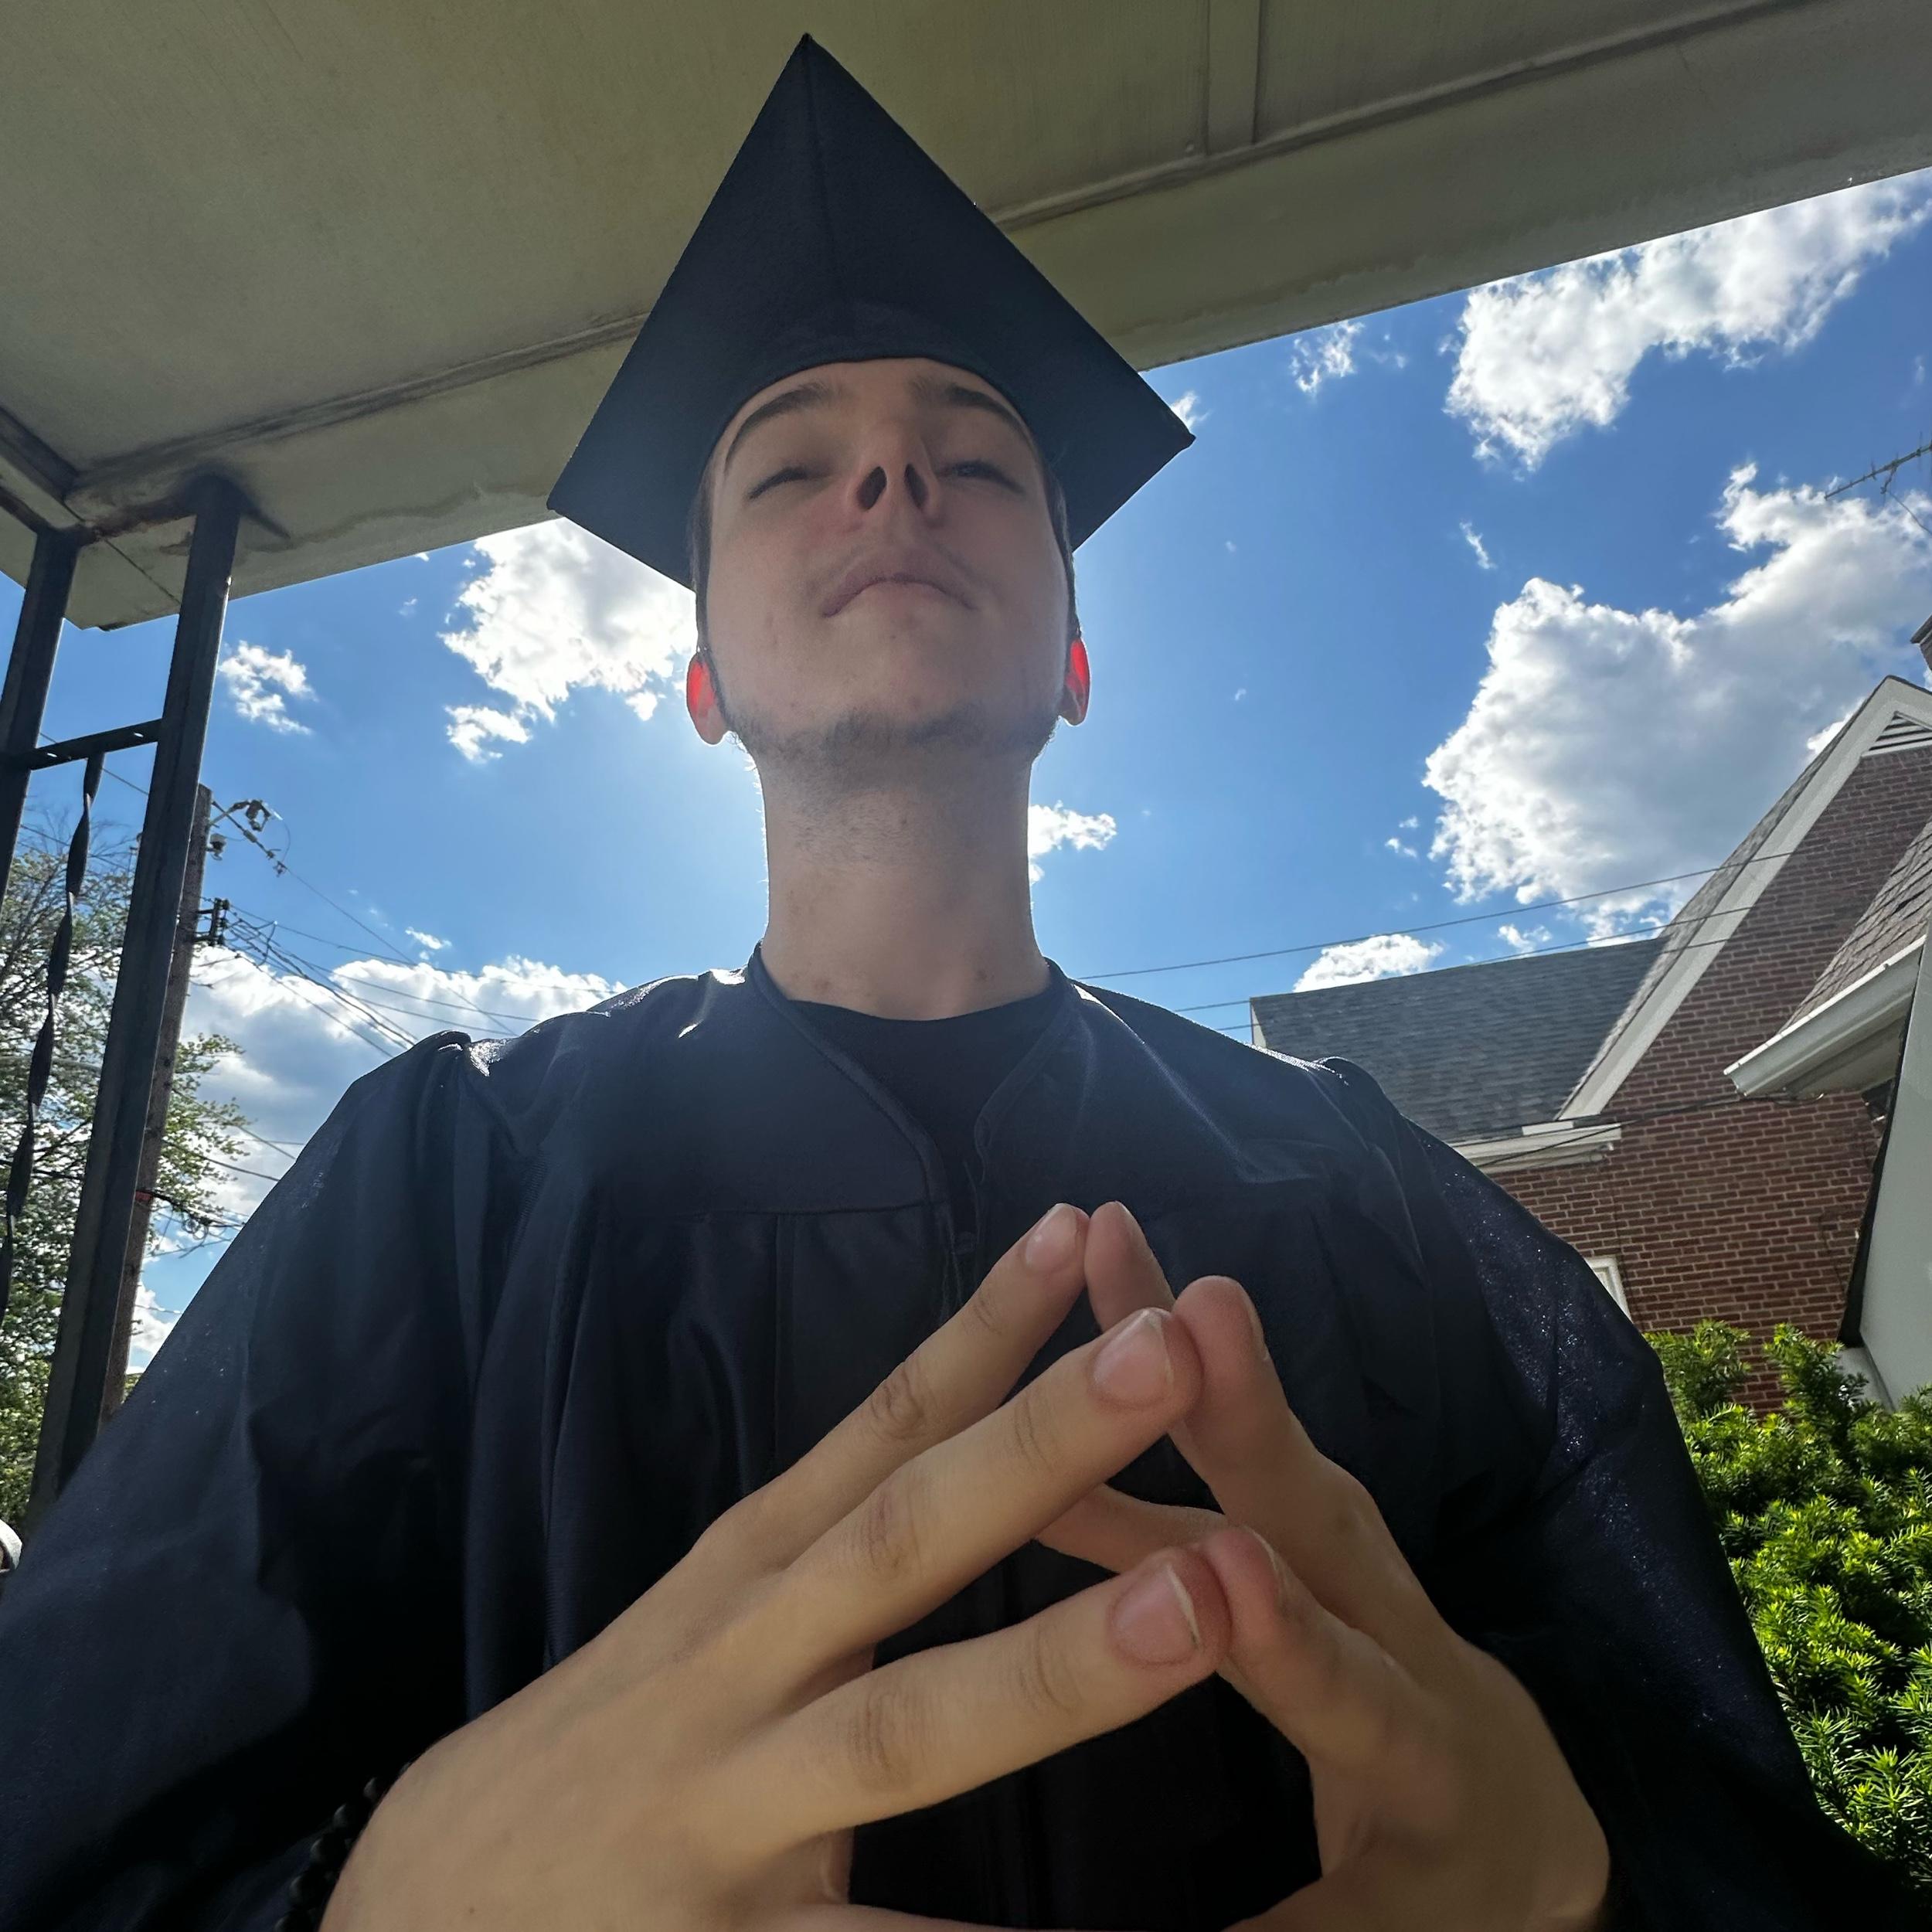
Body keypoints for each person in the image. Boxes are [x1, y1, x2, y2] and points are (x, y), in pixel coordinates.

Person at [0, 36, 1913, 1932]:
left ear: (1074, 658)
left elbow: (1698, 1789)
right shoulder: (456, 1179)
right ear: (701, 684)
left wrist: (1573, 1867)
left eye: (979, 457)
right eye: (788, 464)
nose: (893, 472)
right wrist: (368, 1903)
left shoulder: (1341, 1178)